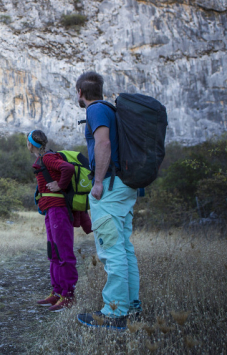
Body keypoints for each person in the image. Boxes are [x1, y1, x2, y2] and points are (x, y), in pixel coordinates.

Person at [74, 72, 141, 330]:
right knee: (123, 249)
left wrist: (98, 181)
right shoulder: (110, 109)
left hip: (110, 186)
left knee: (111, 251)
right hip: (124, 185)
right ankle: (131, 306)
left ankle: (114, 313)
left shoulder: (96, 111)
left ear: (80, 92)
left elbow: (103, 144)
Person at [27, 130, 78, 312]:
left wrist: (60, 185)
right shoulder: (42, 160)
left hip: (59, 210)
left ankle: (69, 295)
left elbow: (68, 169)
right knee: (53, 252)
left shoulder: (47, 158)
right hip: (51, 210)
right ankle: (57, 293)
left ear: (30, 143)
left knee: (63, 252)